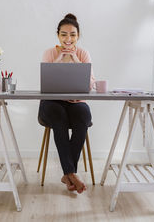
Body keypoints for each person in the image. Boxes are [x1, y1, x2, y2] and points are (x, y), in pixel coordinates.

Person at [39, 13, 94, 194]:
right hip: (51, 104)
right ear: (58, 35)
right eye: (64, 34)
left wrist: (76, 60)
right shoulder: (49, 52)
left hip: (76, 103)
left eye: (72, 35)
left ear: (78, 36)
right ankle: (71, 173)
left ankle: (68, 174)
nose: (68, 39)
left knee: (84, 115)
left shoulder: (83, 53)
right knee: (58, 114)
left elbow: (90, 85)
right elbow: (46, 84)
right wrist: (59, 59)